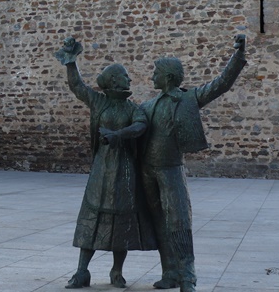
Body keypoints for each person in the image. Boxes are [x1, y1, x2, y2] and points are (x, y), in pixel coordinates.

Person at [140, 34, 246, 292]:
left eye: (155, 72)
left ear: (167, 77)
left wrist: (238, 57)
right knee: (159, 223)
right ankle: (170, 272)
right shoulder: (147, 105)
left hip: (171, 169)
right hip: (148, 171)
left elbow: (220, 85)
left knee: (179, 223)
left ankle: (188, 277)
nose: (152, 77)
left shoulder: (188, 99)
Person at [56, 37, 156, 289]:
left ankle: (117, 272)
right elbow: (77, 86)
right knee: (93, 218)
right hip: (101, 171)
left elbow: (140, 125)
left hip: (124, 171)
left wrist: (118, 135)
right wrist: (71, 61)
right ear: (113, 81)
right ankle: (82, 271)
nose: (129, 80)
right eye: (125, 76)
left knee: (121, 222)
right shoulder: (99, 102)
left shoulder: (132, 108)